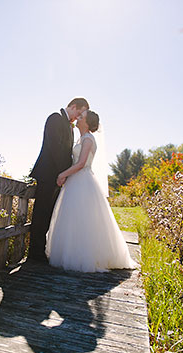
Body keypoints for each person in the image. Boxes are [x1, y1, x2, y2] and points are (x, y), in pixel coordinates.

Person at [46, 110, 138, 272]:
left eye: (81, 117)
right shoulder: (81, 139)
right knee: (73, 218)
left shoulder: (88, 139)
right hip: (75, 181)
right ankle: (71, 252)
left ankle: (85, 257)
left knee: (84, 218)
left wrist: (62, 174)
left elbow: (81, 163)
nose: (78, 119)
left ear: (87, 123)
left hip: (83, 180)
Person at [28, 98, 89, 262]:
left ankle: (40, 252)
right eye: (79, 113)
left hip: (58, 177)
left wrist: (65, 174)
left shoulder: (70, 127)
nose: (78, 117)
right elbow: (55, 147)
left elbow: (66, 152)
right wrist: (64, 173)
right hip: (48, 175)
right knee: (41, 214)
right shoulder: (54, 118)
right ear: (73, 106)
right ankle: (34, 254)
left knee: (49, 214)